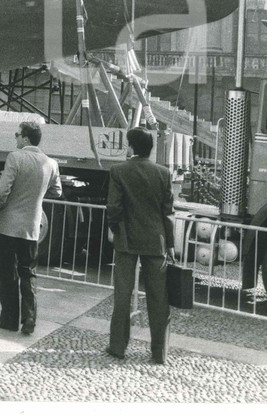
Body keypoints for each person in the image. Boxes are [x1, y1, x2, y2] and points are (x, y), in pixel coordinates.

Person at [106, 127, 175, 364]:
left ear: (132, 146)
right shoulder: (163, 174)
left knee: (123, 295)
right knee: (159, 299)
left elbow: (114, 207)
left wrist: (114, 229)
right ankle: (160, 352)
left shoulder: (118, 171)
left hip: (126, 240)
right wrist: (171, 243)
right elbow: (168, 213)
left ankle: (117, 346)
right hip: (156, 241)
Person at [0, 118, 62, 336]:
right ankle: (29, 318)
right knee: (28, 272)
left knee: (8, 273)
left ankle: (9, 319)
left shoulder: (15, 157)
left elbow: (3, 191)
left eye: (17, 135)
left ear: (26, 138)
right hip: (32, 226)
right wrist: (36, 195)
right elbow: (57, 192)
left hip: (9, 225)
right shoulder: (51, 163)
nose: (15, 138)